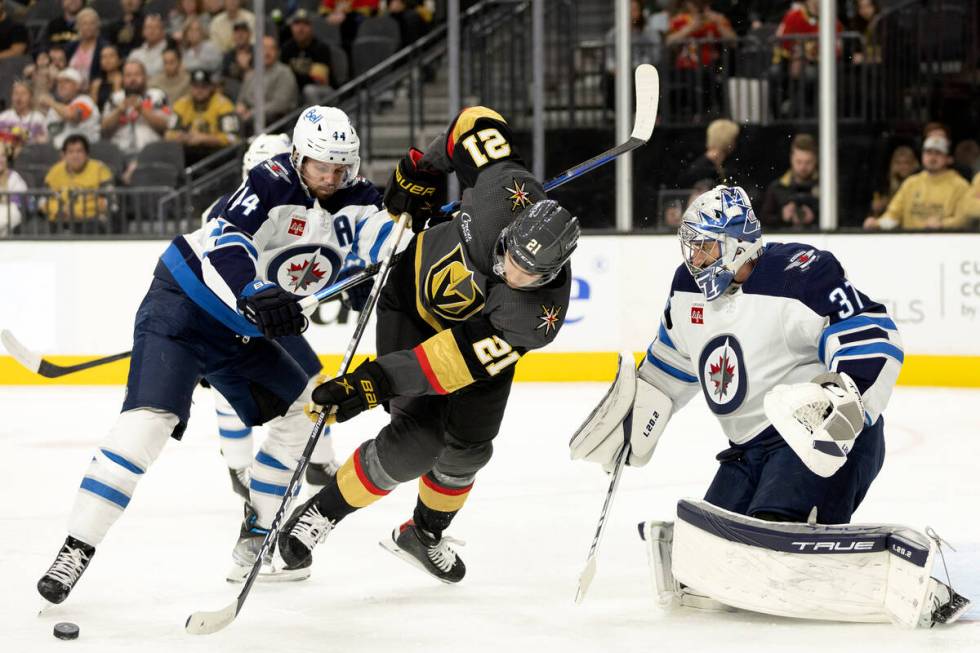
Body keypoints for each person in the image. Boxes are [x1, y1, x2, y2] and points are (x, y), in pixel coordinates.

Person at [36, 105, 401, 603]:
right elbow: (227, 236)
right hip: (183, 307)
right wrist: (252, 288)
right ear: (299, 157)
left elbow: (385, 241)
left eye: (342, 167)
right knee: (150, 423)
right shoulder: (272, 180)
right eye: (323, 166)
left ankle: (256, 536)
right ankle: (75, 550)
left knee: (303, 411)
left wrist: (418, 225)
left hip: (239, 332)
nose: (333, 177)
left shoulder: (355, 198)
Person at [566, 185, 963, 627]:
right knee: (718, 538)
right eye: (690, 247)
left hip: (815, 439)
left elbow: (871, 333)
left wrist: (845, 394)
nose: (695, 259)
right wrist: (633, 418)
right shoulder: (685, 290)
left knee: (771, 524)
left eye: (705, 246)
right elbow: (669, 364)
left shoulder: (800, 274)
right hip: (745, 451)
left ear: (738, 244)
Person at [276, 106, 580, 584]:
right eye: (510, 259)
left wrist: (373, 382)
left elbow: (448, 362)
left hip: (471, 345)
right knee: (417, 442)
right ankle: (322, 513)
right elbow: (475, 121)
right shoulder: (502, 190)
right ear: (508, 233)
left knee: (470, 449)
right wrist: (424, 166)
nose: (513, 274)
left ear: (554, 271)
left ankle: (424, 533)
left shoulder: (534, 318)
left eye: (530, 274)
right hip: (410, 307)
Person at [863, 134, 969, 230]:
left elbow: (965, 220)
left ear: (949, 159)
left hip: (945, 242)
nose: (932, 157)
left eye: (938, 153)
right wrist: (878, 223)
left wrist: (943, 224)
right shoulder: (911, 183)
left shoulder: (960, 186)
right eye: (928, 152)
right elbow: (893, 216)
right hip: (911, 243)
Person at [101, 59, 170, 160]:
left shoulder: (158, 96)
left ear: (145, 77)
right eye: (128, 75)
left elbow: (166, 126)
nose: (132, 79)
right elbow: (103, 129)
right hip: (120, 155)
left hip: (151, 154)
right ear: (123, 79)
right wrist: (118, 111)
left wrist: (142, 110)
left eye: (137, 74)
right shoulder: (115, 98)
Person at [166, 69, 238, 165]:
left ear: (211, 87)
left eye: (204, 87)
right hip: (186, 153)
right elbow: (168, 134)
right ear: (190, 87)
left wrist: (204, 139)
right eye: (195, 87)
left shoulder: (223, 105)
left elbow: (232, 138)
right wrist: (181, 137)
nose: (199, 91)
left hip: (215, 156)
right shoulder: (182, 104)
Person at [43, 134, 113, 231]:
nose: (75, 156)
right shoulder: (54, 171)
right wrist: (59, 210)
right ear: (64, 155)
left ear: (87, 154)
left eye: (79, 151)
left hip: (90, 221)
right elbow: (43, 200)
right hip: (59, 219)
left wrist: (76, 212)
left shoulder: (100, 170)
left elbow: (110, 201)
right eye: (70, 152)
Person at [759, 133, 819, 229]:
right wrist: (781, 216)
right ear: (791, 158)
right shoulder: (777, 187)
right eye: (799, 162)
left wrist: (816, 217)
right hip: (785, 240)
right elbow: (762, 221)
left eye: (808, 162)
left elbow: (843, 219)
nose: (803, 167)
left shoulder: (826, 187)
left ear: (815, 159)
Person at [236, 35, 299, 127]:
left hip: (276, 123)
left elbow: (280, 105)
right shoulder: (252, 74)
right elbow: (241, 99)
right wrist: (240, 107)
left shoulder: (284, 72)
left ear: (277, 52)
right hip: (251, 120)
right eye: (264, 48)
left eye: (271, 48)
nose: (267, 52)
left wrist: (252, 113)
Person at [39, 67, 101, 149]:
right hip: (57, 153)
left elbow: (71, 115)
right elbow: (50, 131)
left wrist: (50, 102)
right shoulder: (55, 108)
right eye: (59, 82)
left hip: (85, 152)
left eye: (67, 81)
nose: (61, 85)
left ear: (77, 86)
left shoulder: (85, 101)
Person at [281, 9, 334, 104]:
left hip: (323, 92)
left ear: (311, 27)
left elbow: (317, 80)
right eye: (297, 24)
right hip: (296, 91)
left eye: (305, 24)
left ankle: (317, 118)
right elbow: (283, 78)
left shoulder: (321, 47)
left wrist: (292, 77)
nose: (301, 28)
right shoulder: (287, 48)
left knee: (309, 90)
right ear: (291, 27)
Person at [678, 118, 739, 188]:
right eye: (734, 139)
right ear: (727, 139)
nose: (735, 144)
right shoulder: (704, 168)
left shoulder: (710, 165)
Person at [0, 80, 49, 157]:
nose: (19, 98)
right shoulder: (3, 117)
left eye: (23, 94)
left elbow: (45, 140)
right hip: (5, 156)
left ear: (30, 97)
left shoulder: (38, 118)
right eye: (16, 93)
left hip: (31, 157)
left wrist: (26, 136)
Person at [869, 145, 918, 218]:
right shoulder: (885, 183)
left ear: (913, 164)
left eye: (906, 163)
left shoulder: (919, 181)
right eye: (898, 163)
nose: (902, 167)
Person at [128, 13, 175, 78]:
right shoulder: (135, 54)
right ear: (143, 31)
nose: (151, 31)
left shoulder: (171, 51)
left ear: (163, 31)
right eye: (148, 27)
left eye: (156, 27)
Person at [0, 146, 27, 236]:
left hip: (9, 217)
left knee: (11, 210)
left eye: (3, 156)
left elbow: (21, 200)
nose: (0, 160)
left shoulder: (14, 177)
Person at [90, 44, 124, 110]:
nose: (107, 60)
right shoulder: (97, 83)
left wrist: (117, 86)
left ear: (120, 60)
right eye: (103, 57)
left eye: (111, 56)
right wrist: (94, 92)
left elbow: (121, 106)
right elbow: (92, 109)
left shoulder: (126, 80)